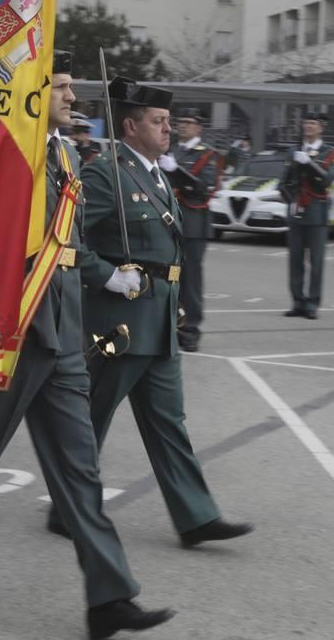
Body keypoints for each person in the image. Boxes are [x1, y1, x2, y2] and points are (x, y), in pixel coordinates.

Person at [0, 50, 175, 640]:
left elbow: (69, 246)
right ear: (32, 94)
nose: (73, 99)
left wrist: (106, 276)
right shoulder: (9, 155)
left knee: (80, 470)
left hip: (64, 331)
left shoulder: (67, 152)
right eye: (61, 88)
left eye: (72, 88)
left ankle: (108, 599)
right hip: (13, 325)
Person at [52, 75, 253, 548]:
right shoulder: (106, 173)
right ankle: (68, 508)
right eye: (158, 121)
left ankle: (195, 516)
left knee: (168, 421)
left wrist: (174, 302)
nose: (168, 130)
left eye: (167, 122)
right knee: (90, 419)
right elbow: (68, 238)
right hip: (119, 321)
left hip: (158, 318)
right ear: (130, 125)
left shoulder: (157, 172)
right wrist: (105, 275)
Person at [159, 107, 221, 352]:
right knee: (169, 276)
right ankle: (173, 324)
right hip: (169, 221)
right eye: (180, 121)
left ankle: (191, 328)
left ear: (199, 127)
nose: (182, 125)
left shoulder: (208, 155)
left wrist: (177, 171)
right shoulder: (172, 151)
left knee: (191, 280)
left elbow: (203, 188)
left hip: (193, 224)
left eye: (188, 122)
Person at [282, 113, 334, 319]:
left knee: (316, 261)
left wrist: (309, 163)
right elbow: (283, 182)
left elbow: (327, 180)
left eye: (313, 123)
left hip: (317, 211)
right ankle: (297, 301)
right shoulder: (294, 150)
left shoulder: (330, 153)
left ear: (321, 128)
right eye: (306, 122)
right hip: (296, 212)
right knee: (295, 260)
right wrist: (292, 200)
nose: (308, 126)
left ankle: (312, 303)